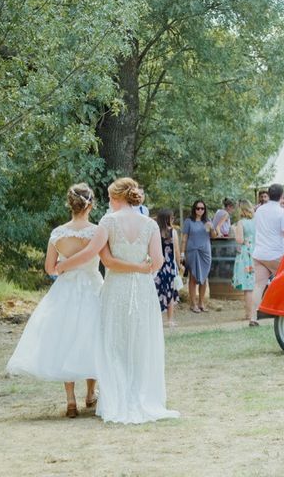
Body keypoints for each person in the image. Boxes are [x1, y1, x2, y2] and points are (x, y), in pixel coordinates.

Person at [6, 183, 147, 419]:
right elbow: (106, 259)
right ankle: (91, 393)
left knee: (66, 339)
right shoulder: (97, 231)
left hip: (66, 290)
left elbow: (50, 268)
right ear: (90, 205)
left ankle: (70, 401)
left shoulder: (58, 234)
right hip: (92, 287)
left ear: (70, 204)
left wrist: (64, 266)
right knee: (94, 338)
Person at [57, 177, 179, 424]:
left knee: (114, 342)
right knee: (140, 341)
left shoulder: (109, 221)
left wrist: (62, 266)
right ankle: (142, 395)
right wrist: (140, 267)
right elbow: (158, 261)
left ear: (116, 197)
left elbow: (101, 257)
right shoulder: (150, 224)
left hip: (117, 288)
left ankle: (117, 397)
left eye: (111, 198)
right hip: (143, 289)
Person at [251, 183, 284, 327]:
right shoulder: (282, 213)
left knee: (258, 286)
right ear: (281, 196)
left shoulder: (259, 210)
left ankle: (253, 317)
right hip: (275, 254)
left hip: (259, 253)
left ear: (268, 195)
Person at [181, 199, 216, 313]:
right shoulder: (189, 221)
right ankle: (193, 304)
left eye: (202, 208)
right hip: (193, 251)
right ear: (194, 209)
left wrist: (212, 228)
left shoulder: (207, 221)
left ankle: (201, 303)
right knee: (193, 277)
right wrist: (182, 253)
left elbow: (214, 236)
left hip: (205, 252)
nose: (200, 210)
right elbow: (184, 238)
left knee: (204, 277)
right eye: (198, 208)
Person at [154, 209, 180, 327]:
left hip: (157, 266)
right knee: (170, 292)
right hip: (170, 267)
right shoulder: (173, 232)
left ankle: (157, 320)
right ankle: (170, 320)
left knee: (157, 292)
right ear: (168, 219)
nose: (173, 219)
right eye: (172, 217)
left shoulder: (155, 232)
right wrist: (179, 265)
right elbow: (177, 251)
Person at [232, 200, 256, 322]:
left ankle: (249, 314)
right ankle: (255, 312)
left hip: (246, 255)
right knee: (256, 284)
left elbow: (239, 240)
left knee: (248, 286)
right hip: (256, 253)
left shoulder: (241, 223)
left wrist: (235, 229)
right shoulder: (256, 222)